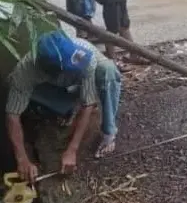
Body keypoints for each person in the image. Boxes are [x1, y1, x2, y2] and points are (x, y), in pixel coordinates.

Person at [6, 30, 122, 182]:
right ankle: (63, 110)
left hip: (79, 84)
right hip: (57, 86)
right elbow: (13, 115)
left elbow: (88, 104)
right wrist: (22, 158)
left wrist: (72, 150)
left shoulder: (84, 57)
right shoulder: (25, 71)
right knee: (14, 86)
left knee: (108, 71)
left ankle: (109, 132)